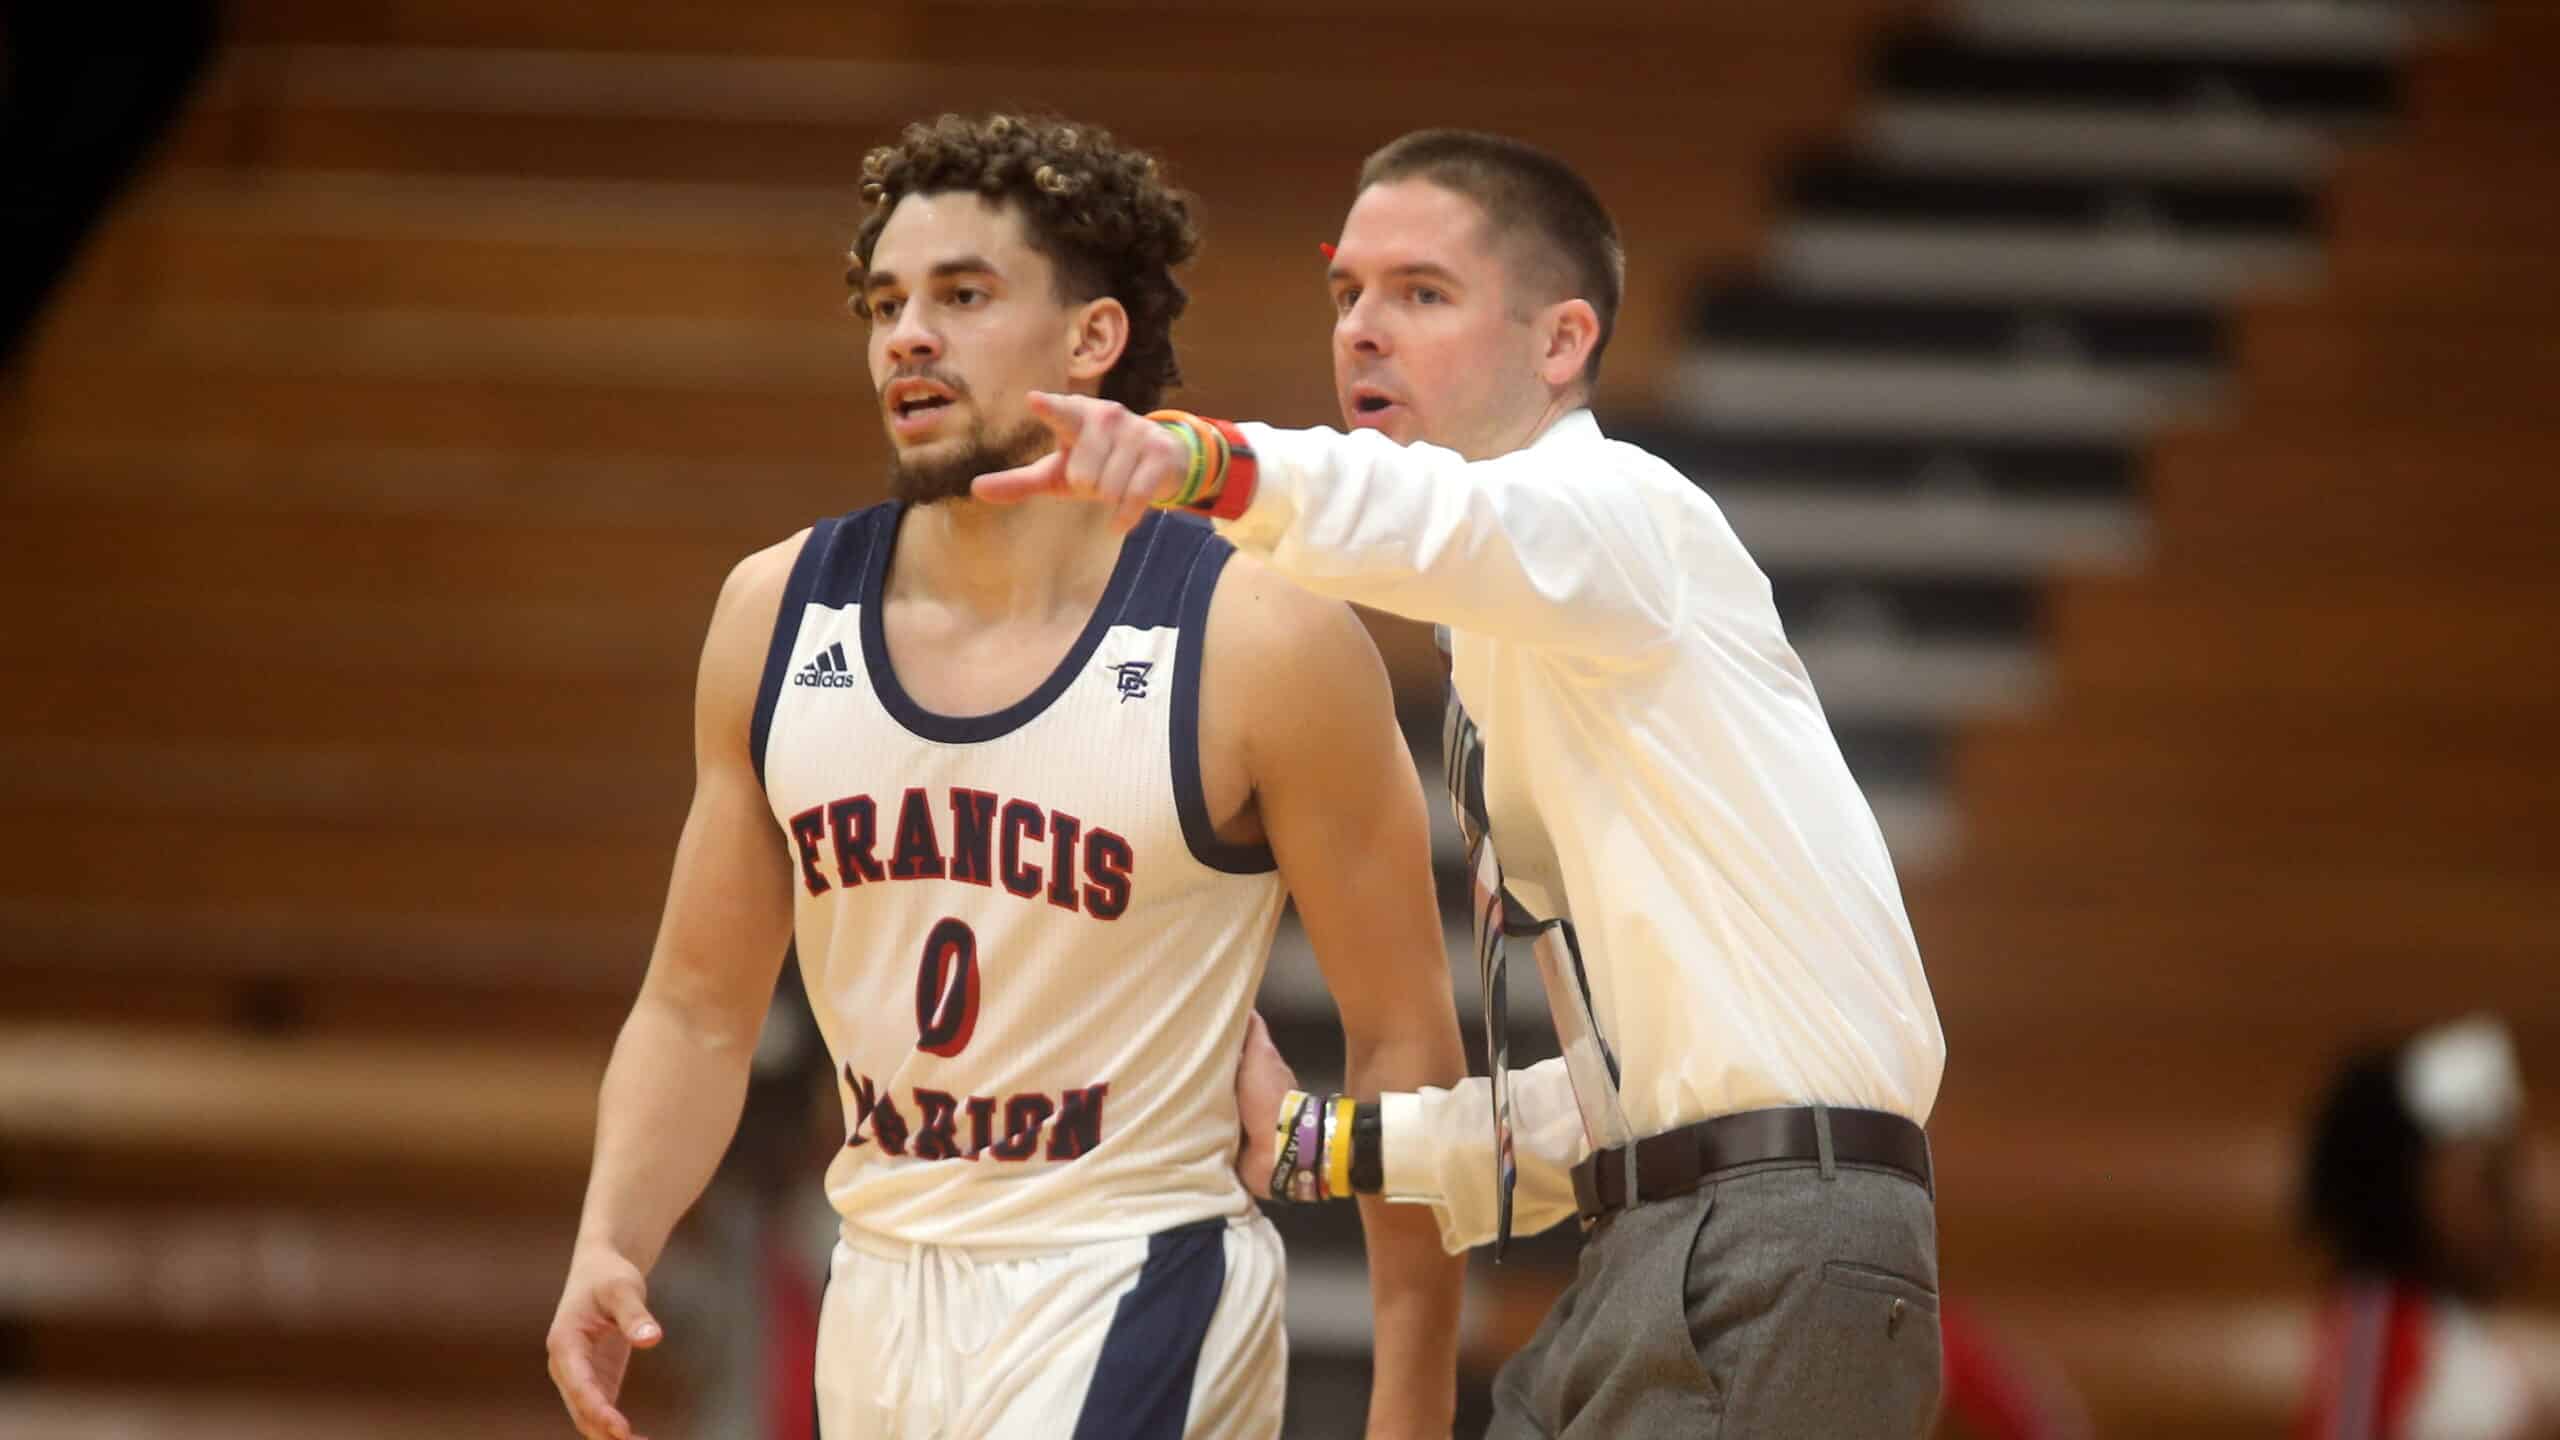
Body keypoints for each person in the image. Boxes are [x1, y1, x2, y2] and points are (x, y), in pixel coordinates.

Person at [976, 128, 1948, 1437]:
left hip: (1776, 1239)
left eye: (1418, 294)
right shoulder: (1518, 629)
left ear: (1561, 343)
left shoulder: (1620, 513)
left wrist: (1202, 462)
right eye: (1346, 294)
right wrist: (1325, 1149)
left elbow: (1432, 520)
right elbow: (1633, 1099)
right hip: (1663, 1233)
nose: (1362, 330)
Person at [543, 112, 1468, 1440]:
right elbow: (697, 1008)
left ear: (1092, 339)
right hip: (879, 1286)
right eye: (885, 305)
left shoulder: (1260, 635)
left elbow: (1401, 1045)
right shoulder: (775, 614)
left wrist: (1413, 1403)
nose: (907, 336)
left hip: (1137, 1271)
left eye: (962, 296)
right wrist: (613, 1238)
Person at [2297, 1016, 2551, 1439]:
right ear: (2402, 1190)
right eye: (2489, 1185)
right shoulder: (2374, 1325)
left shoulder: (2459, 1330)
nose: (2517, 1211)